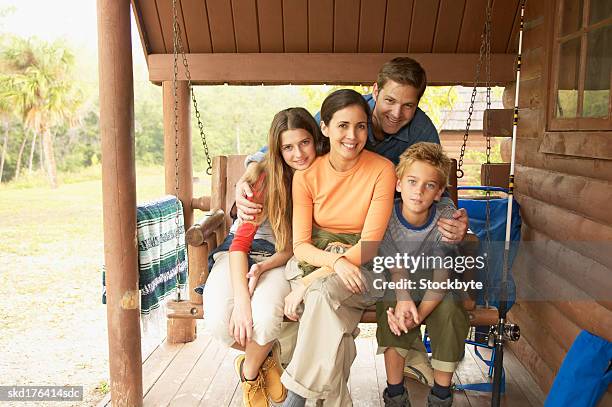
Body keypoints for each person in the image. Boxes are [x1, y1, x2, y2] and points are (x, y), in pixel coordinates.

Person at [238, 57, 469, 386]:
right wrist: (250, 170)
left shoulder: (421, 131)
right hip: (330, 244)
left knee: (326, 295)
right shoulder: (345, 112)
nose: (396, 113)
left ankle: (302, 390)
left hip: (385, 236)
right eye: (389, 101)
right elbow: (286, 145)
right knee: (320, 302)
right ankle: (314, 383)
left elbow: (432, 180)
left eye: (408, 105)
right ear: (375, 91)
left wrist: (451, 215)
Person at [201, 107, 328, 407]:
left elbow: (297, 245)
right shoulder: (263, 177)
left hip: (281, 259)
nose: (298, 154)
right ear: (277, 149)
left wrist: (263, 268)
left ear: (316, 140)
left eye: (304, 143)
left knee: (267, 320)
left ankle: (249, 371)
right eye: (288, 147)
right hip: (241, 252)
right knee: (223, 323)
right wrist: (242, 301)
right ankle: (267, 359)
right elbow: (239, 244)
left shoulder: (323, 176)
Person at [280, 89, 396, 407]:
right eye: (343, 125)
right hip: (320, 264)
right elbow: (300, 245)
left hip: (366, 271)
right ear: (326, 128)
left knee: (318, 295)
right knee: (335, 325)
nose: (352, 135)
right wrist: (337, 263)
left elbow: (370, 245)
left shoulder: (382, 170)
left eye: (360, 126)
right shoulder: (307, 175)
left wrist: (308, 282)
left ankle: (296, 396)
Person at [376, 142, 469, 407]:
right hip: (398, 280)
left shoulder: (446, 217)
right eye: (412, 181)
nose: (418, 191)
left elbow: (442, 276)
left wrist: (419, 318)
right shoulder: (386, 217)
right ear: (398, 183)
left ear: (439, 192)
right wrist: (405, 301)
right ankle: (395, 393)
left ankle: (441, 395)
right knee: (393, 306)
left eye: (429, 185)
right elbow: (395, 267)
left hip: (437, 284)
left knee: (451, 308)